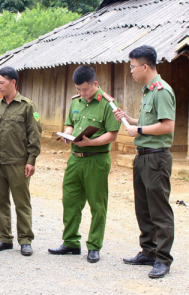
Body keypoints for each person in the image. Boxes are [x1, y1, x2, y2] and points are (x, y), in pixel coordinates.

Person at [113, 45, 176, 279]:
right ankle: (148, 251)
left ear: (145, 66)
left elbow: (167, 125)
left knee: (159, 209)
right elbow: (152, 121)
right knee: (144, 208)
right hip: (143, 157)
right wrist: (129, 119)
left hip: (156, 158)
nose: (131, 71)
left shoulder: (161, 91)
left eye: (133, 66)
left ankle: (163, 259)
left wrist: (137, 129)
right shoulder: (148, 92)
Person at [48, 65, 120, 263]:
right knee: (70, 201)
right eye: (78, 89)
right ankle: (70, 242)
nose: (81, 93)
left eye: (85, 89)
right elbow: (70, 122)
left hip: (96, 160)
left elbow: (112, 135)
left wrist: (91, 142)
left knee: (97, 204)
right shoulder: (76, 101)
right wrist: (68, 134)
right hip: (75, 159)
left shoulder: (108, 104)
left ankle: (94, 246)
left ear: (95, 84)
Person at [0, 67, 42, 256]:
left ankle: (25, 240)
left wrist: (31, 160)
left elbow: (35, 135)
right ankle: (4, 238)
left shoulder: (28, 106)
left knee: (21, 202)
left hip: (18, 162)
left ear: (13, 82)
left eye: (2, 83)